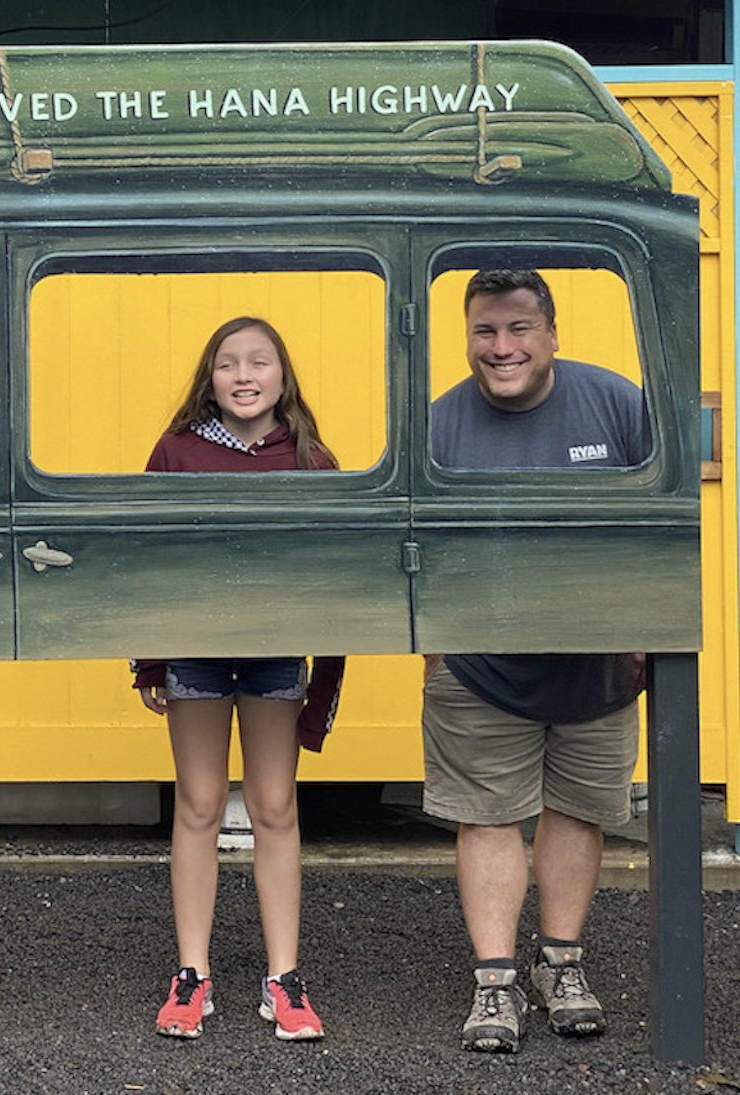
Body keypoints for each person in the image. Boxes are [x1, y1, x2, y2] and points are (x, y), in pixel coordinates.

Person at [425, 268, 649, 1054]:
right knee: (488, 816)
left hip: (599, 668)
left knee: (578, 809)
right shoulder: (440, 424)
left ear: (553, 333)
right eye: (485, 330)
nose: (502, 346)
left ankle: (561, 965)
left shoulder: (618, 403)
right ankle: (495, 983)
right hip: (482, 671)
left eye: (519, 328)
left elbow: (666, 521)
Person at [132, 316, 345, 1042]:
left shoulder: (312, 459)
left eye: (260, 362)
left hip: (275, 654)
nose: (245, 376)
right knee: (196, 805)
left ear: (283, 376)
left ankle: (284, 978)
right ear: (210, 376)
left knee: (275, 807)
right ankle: (191, 973)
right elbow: (146, 560)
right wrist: (152, 660)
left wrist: (324, 686)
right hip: (194, 650)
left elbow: (338, 583)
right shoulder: (177, 449)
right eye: (229, 363)